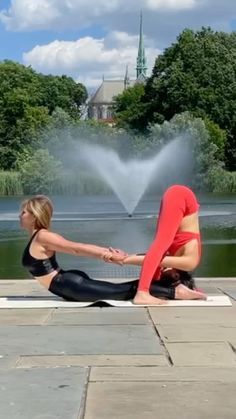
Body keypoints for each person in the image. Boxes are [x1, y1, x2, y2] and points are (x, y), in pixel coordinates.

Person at [20, 194, 204, 303]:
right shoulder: (38, 236)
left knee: (120, 292)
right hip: (65, 285)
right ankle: (172, 287)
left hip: (67, 284)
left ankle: (175, 290)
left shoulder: (44, 236)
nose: (20, 215)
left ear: (35, 216)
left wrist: (106, 255)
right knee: (116, 290)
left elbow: (76, 248)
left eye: (24, 212)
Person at [108, 184, 204, 305]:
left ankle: (143, 291)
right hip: (182, 197)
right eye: (166, 273)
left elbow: (152, 259)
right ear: (175, 276)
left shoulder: (175, 263)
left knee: (160, 246)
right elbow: (157, 259)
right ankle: (142, 293)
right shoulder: (190, 263)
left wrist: (126, 257)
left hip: (178, 200)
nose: (163, 270)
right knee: (162, 242)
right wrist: (125, 260)